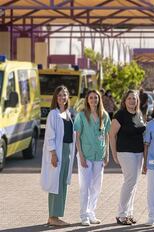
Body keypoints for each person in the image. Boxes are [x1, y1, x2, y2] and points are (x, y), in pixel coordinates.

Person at [74, 90, 111, 226]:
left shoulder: (104, 115)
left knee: (96, 187)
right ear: (87, 100)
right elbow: (77, 137)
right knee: (85, 186)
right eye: (91, 98)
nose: (94, 100)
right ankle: (84, 215)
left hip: (99, 156)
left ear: (99, 100)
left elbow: (106, 136)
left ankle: (91, 213)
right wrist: (81, 156)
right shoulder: (82, 116)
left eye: (96, 98)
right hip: (86, 156)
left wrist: (107, 154)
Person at [40, 85, 76, 226]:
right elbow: (49, 135)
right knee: (55, 184)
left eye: (65, 95)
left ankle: (57, 215)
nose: (62, 97)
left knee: (62, 184)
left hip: (67, 151)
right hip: (57, 152)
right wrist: (53, 153)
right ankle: (52, 217)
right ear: (56, 97)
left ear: (68, 97)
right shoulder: (53, 114)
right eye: (60, 95)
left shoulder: (69, 114)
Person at [109, 90, 146, 225]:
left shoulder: (139, 114)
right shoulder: (120, 115)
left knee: (134, 183)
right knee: (130, 181)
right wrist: (114, 154)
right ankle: (121, 214)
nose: (132, 101)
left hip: (138, 152)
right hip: (125, 152)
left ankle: (129, 213)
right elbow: (112, 135)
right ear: (125, 100)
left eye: (134, 99)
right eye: (129, 98)